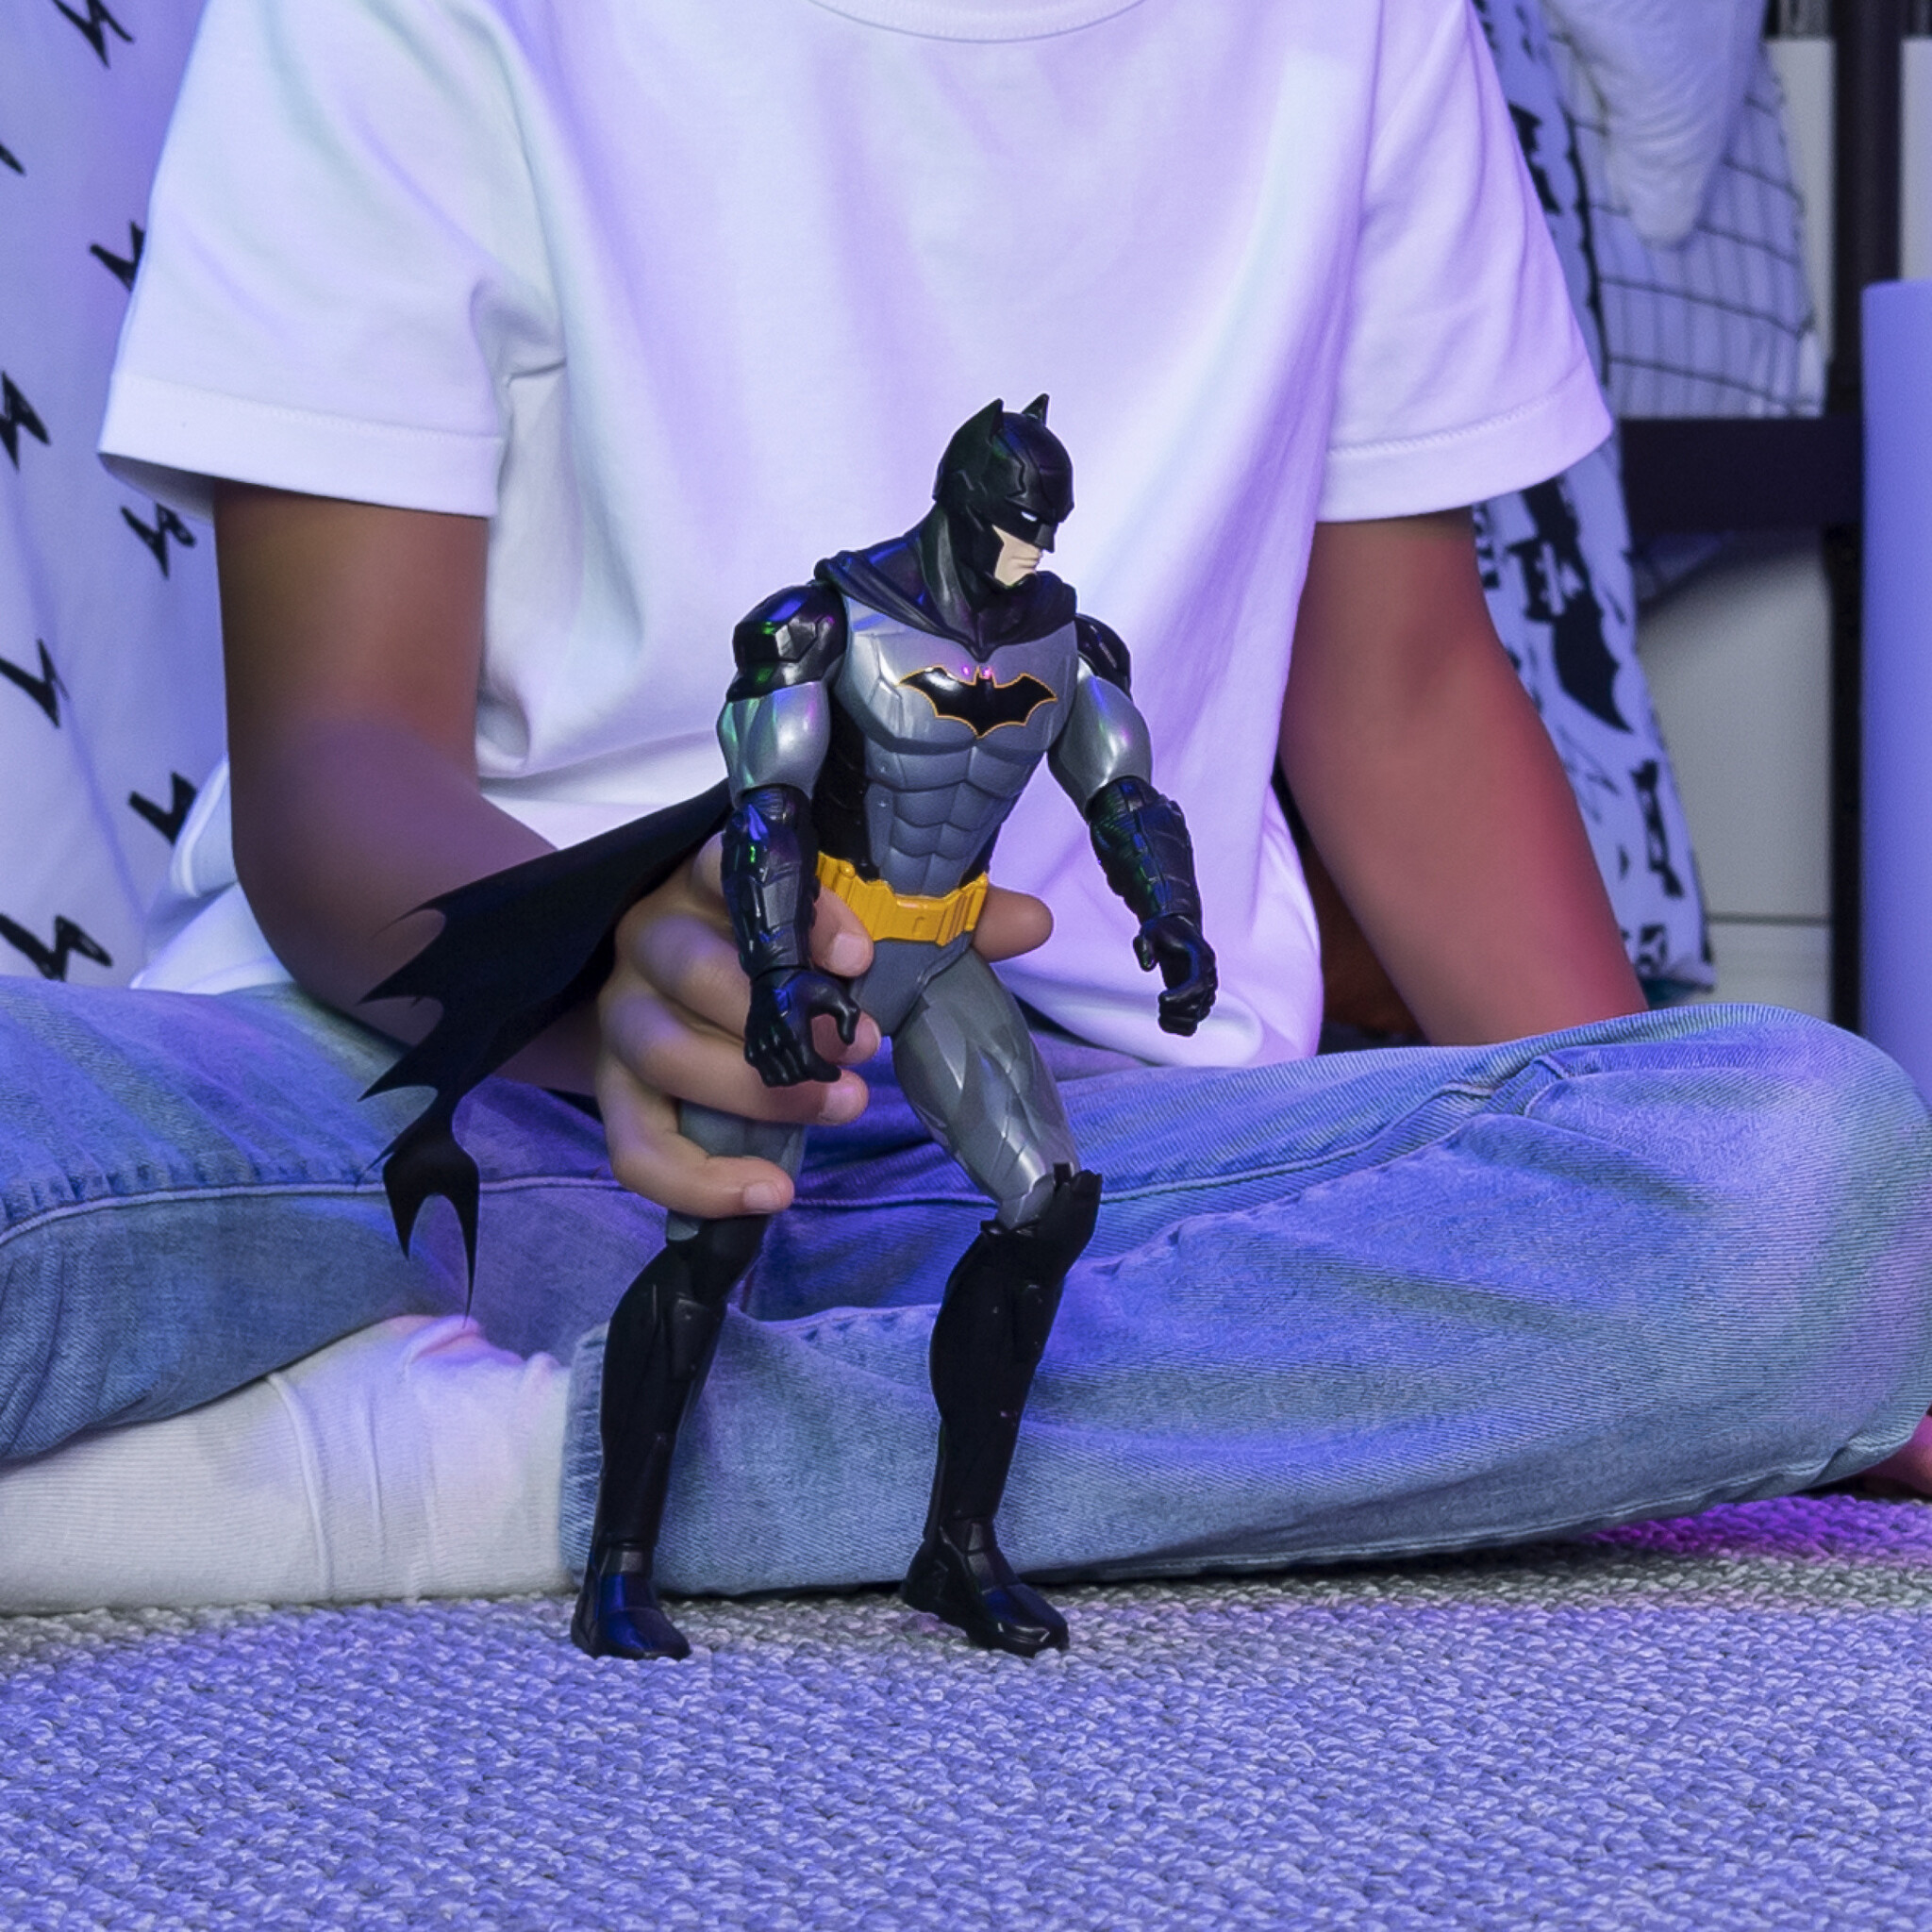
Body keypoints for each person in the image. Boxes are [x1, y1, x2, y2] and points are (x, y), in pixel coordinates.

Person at [2, 0, 1929, 1619]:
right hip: (439, 1101)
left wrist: (1672, 1189)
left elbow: (1405, 690)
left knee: (1805, 1169)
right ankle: (667, 1426)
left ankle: (479, 1480)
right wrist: (617, 969)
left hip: (1068, 1167)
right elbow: (338, 755)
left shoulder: (1361, 24)